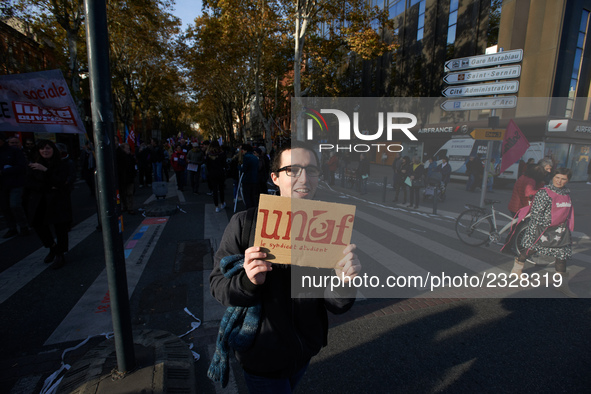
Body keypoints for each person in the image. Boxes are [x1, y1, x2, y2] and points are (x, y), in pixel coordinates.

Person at [209, 140, 361, 392]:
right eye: (292, 170)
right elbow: (218, 286)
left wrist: (344, 281)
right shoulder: (244, 223)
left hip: (305, 351)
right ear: (275, 178)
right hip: (262, 357)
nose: (304, 178)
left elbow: (334, 304)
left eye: (311, 170)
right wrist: (247, 282)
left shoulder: (329, 229)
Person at [510, 168, 577, 297]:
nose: (560, 181)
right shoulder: (544, 193)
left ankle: (562, 285)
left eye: (563, 179)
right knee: (531, 250)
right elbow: (536, 214)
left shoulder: (566, 193)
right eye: (557, 177)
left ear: (568, 180)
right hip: (543, 229)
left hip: (561, 231)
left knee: (561, 257)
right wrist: (541, 228)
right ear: (553, 177)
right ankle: (517, 269)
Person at [25, 140, 73, 269]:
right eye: (42, 149)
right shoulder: (33, 165)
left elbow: (60, 182)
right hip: (40, 201)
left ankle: (60, 253)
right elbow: (31, 184)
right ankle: (52, 247)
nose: (45, 151)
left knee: (60, 228)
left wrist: (46, 171)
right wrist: (49, 185)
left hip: (57, 201)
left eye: (48, 148)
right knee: (39, 226)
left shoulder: (61, 165)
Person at [0, 132, 30, 238]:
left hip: (16, 183)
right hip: (2, 185)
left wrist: (4, 171)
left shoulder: (15, 151)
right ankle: (12, 228)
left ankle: (23, 226)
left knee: (15, 204)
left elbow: (22, 167)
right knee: (5, 207)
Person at [205, 140, 227, 213]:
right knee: (221, 189)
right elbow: (224, 164)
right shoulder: (221, 153)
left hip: (212, 173)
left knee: (214, 190)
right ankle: (222, 203)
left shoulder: (208, 154)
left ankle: (216, 206)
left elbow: (207, 165)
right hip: (220, 173)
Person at [116, 143, 137, 214]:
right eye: (127, 148)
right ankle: (125, 206)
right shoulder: (120, 157)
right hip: (123, 178)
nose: (128, 150)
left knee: (130, 193)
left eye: (129, 148)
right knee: (123, 194)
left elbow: (134, 166)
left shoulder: (130, 157)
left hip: (130, 178)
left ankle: (130, 207)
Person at [240, 144, 259, 209]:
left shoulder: (246, 157)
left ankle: (249, 211)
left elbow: (244, 169)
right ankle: (254, 210)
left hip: (247, 179)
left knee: (247, 196)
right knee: (253, 196)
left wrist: (239, 167)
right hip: (255, 179)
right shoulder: (255, 157)